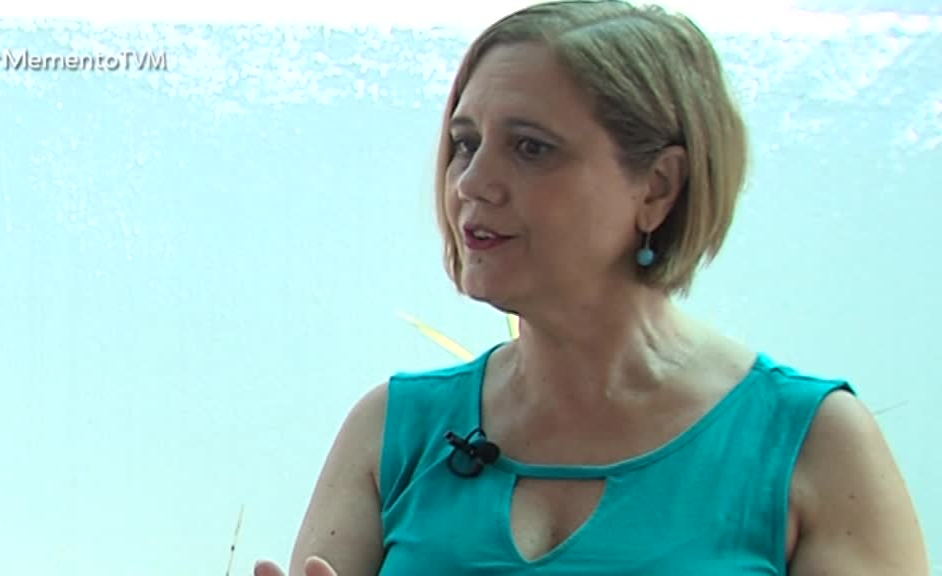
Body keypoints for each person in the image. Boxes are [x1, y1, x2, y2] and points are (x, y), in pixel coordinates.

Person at [255, 1, 930, 574]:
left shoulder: (814, 443)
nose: (473, 183)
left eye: (531, 148)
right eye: (465, 143)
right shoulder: (390, 431)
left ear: (658, 186)